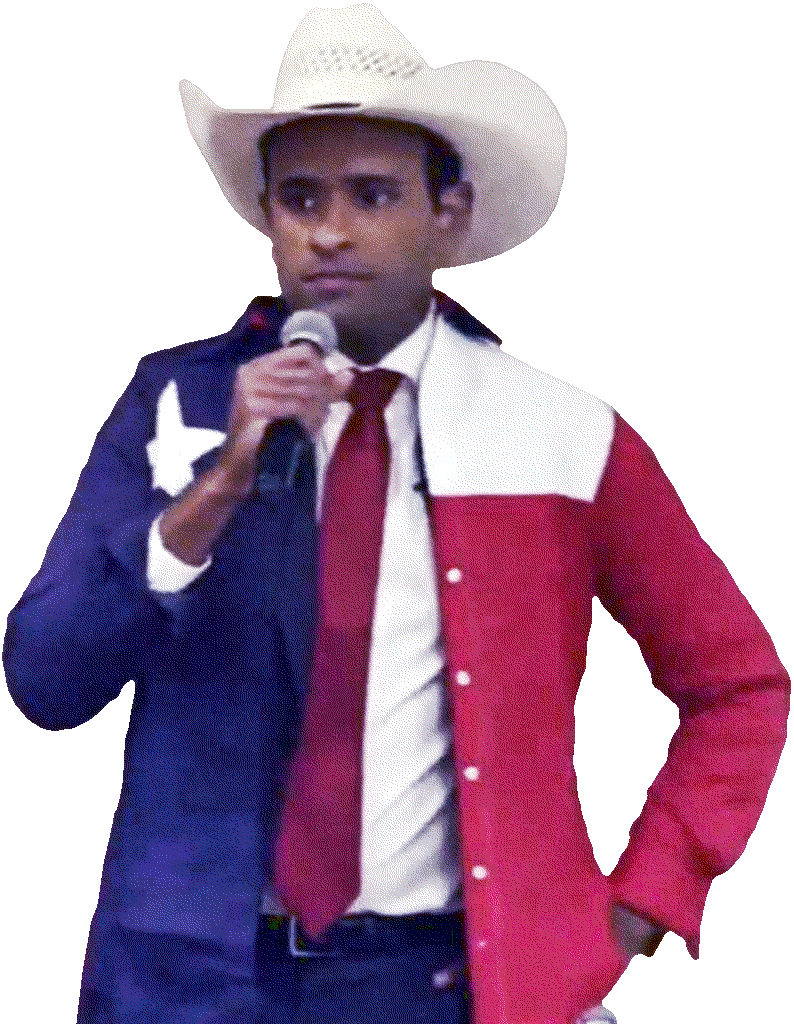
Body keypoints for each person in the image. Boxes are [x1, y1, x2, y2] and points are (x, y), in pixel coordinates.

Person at [4, 6, 789, 1024]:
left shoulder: (559, 430)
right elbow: (46, 679)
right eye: (299, 197)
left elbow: (735, 684)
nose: (329, 230)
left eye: (372, 194)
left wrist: (639, 905)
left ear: (447, 213)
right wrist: (216, 488)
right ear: (266, 215)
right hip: (189, 981)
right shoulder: (176, 401)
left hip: (442, 984)